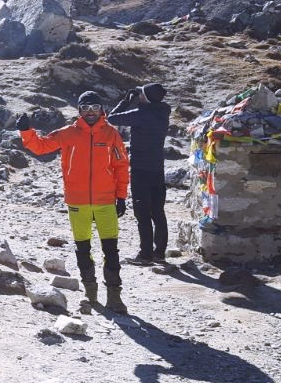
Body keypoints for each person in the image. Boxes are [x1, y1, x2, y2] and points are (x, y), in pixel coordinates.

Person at [17, 91, 130, 314]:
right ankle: (91, 295)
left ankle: (114, 298)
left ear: (102, 110)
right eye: (85, 108)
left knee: (111, 250)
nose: (90, 113)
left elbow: (121, 166)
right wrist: (26, 131)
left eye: (95, 108)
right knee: (83, 248)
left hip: (106, 200)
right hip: (77, 201)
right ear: (79, 111)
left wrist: (121, 197)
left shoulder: (110, 134)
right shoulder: (67, 133)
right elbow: (40, 147)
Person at [108, 83, 171, 266]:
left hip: (141, 170)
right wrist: (141, 99)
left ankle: (145, 255)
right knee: (158, 212)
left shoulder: (141, 114)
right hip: (158, 169)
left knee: (142, 213)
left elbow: (113, 118)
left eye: (142, 94)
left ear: (147, 98)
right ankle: (159, 253)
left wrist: (126, 101)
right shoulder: (163, 112)